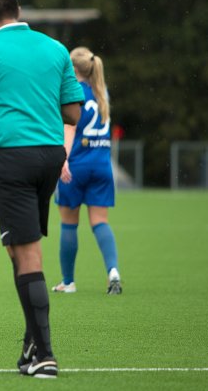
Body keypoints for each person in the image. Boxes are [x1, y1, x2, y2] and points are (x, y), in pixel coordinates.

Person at [0, 0, 83, 379]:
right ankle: (32, 341)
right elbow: (74, 114)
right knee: (19, 246)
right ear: (17, 9)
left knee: (26, 253)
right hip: (50, 157)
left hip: (14, 157)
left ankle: (44, 354)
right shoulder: (55, 49)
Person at [53, 47, 121, 295]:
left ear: (72, 69)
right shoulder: (103, 92)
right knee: (100, 222)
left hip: (77, 166)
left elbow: (69, 130)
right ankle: (113, 271)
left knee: (69, 224)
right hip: (102, 166)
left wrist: (63, 160)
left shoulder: (73, 93)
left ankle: (68, 282)